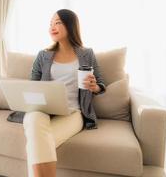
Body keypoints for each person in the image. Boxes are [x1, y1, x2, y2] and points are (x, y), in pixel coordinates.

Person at [8, 9, 106, 177]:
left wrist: (94, 87)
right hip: (43, 110)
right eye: (50, 24)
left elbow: (100, 83)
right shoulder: (43, 55)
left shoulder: (87, 54)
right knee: (32, 119)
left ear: (70, 25)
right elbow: (33, 85)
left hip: (73, 112)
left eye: (58, 22)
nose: (52, 27)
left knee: (36, 142)